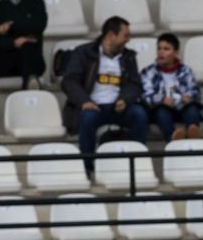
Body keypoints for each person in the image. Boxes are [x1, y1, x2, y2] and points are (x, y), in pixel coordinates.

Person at [60, 16, 148, 176]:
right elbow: (69, 82)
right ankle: (87, 167)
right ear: (110, 36)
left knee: (139, 114)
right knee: (87, 118)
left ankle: (137, 161)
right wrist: (84, 101)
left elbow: (135, 84)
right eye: (125, 36)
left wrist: (125, 99)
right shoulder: (83, 53)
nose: (128, 40)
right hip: (93, 106)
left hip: (118, 107)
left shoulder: (128, 57)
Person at [141, 32, 203, 141]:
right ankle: (173, 141)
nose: (161, 52)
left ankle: (193, 138)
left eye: (166, 49)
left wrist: (189, 97)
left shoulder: (186, 71)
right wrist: (161, 99)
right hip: (161, 108)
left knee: (192, 109)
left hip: (182, 107)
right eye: (159, 48)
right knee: (162, 112)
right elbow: (146, 96)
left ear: (175, 53)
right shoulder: (148, 72)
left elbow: (196, 92)